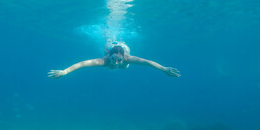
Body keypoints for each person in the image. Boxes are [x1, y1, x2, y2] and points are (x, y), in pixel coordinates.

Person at [48, 41, 180, 78]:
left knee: (121, 67)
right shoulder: (103, 61)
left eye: (119, 60)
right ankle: (109, 43)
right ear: (108, 57)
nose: (116, 63)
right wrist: (64, 71)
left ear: (124, 57)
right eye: (113, 59)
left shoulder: (128, 59)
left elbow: (148, 63)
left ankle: (114, 43)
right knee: (109, 62)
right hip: (109, 52)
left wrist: (164, 69)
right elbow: (82, 64)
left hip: (123, 51)